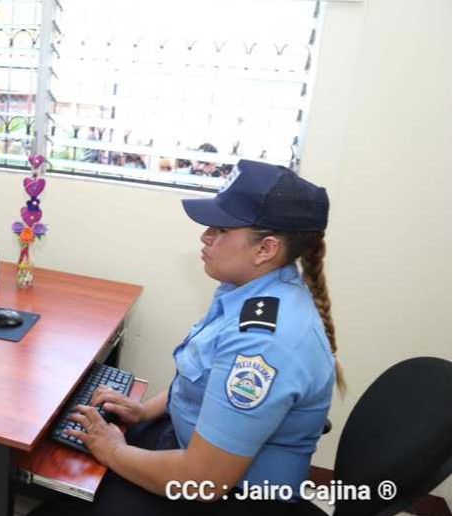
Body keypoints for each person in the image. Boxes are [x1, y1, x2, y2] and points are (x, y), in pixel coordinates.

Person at [31, 160, 343, 516]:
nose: (205, 236)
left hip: (226, 495)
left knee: (59, 500)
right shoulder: (247, 290)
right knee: (71, 476)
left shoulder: (264, 343)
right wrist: (144, 410)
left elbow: (204, 481)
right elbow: (202, 375)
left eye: (221, 229)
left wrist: (113, 451)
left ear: (265, 249)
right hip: (193, 451)